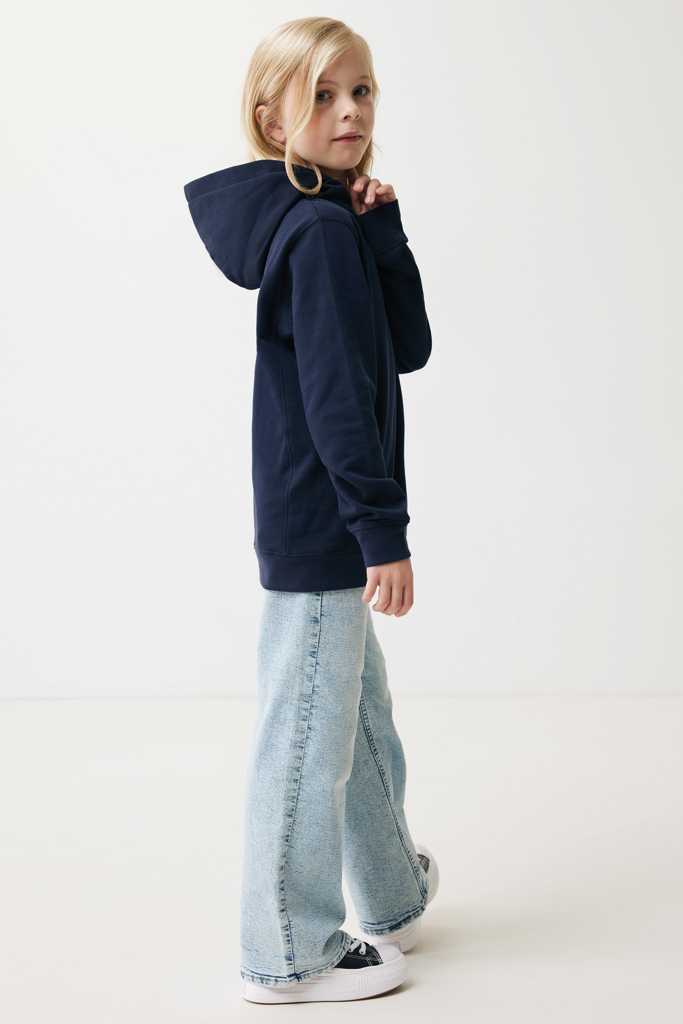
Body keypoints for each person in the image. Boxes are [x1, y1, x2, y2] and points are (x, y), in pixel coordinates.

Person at [183, 16, 438, 1004]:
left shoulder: (335, 222)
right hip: (325, 514)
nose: (349, 111)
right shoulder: (317, 229)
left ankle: (393, 895)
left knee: (355, 714)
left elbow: (406, 348)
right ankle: (286, 953)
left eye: (361, 90)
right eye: (323, 94)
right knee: (305, 734)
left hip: (322, 512)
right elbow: (337, 396)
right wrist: (380, 529)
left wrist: (384, 232)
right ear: (271, 118)